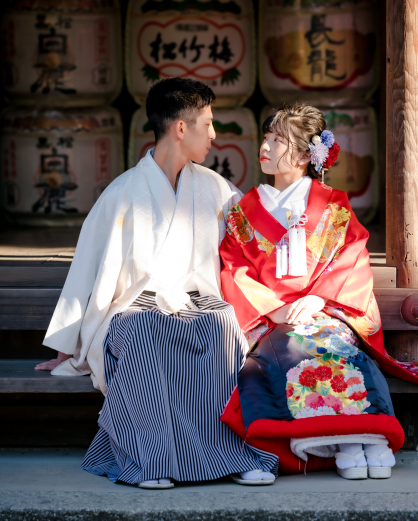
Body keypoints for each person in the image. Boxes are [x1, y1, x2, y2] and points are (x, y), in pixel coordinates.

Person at [218, 104, 418, 480]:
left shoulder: (332, 204)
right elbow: (234, 269)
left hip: (324, 311)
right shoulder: (243, 212)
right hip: (272, 319)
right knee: (290, 349)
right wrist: (274, 310)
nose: (265, 147)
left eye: (278, 140)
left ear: (307, 155)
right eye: (266, 138)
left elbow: (351, 258)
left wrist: (320, 299)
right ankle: (346, 440)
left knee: (337, 348)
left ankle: (366, 436)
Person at [35, 77, 277, 488]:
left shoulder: (216, 188)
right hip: (134, 308)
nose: (213, 135)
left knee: (221, 325)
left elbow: (256, 243)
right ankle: (151, 460)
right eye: (208, 123)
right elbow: (86, 269)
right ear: (181, 128)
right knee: (144, 329)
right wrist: (66, 347)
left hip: (199, 304)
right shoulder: (123, 192)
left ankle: (234, 454)